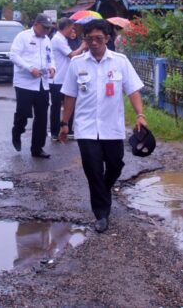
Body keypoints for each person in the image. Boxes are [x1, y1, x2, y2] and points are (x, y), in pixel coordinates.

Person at [59, 19, 147, 233]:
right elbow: (69, 95)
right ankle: (101, 214)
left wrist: (140, 115)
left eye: (98, 38)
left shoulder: (120, 61)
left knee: (116, 165)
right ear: (85, 40)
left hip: (112, 127)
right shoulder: (77, 63)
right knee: (93, 170)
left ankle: (103, 191)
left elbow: (133, 90)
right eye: (90, 39)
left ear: (107, 38)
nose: (94, 43)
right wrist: (64, 123)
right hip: (86, 128)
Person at [10, 14, 56, 158]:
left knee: (42, 117)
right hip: (25, 83)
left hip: (42, 83)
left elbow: (50, 57)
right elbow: (13, 56)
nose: (47, 31)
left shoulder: (47, 40)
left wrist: (52, 67)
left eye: (49, 28)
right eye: (44, 27)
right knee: (23, 113)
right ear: (36, 24)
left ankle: (37, 148)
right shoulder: (23, 37)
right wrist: (30, 68)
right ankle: (17, 130)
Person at [49, 18, 87, 141]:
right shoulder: (58, 39)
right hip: (58, 79)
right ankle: (55, 132)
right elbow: (72, 55)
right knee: (57, 106)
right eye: (72, 28)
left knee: (69, 103)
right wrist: (82, 46)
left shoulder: (63, 39)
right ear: (66, 27)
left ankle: (68, 129)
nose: (73, 30)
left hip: (64, 77)